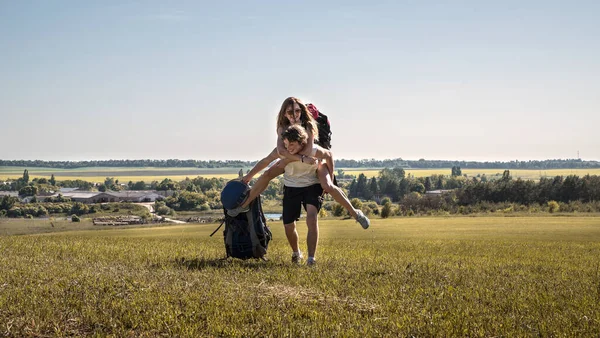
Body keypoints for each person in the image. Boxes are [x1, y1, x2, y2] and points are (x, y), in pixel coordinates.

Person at [228, 97, 370, 229]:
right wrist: (249, 177)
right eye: (290, 112)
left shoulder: (308, 124)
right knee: (268, 173)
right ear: (284, 114)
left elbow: (308, 150)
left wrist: (292, 157)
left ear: (301, 111)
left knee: (328, 185)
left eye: (297, 111)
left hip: (315, 160)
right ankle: (244, 205)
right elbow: (280, 151)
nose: (294, 115)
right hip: (297, 158)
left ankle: (355, 213)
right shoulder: (282, 128)